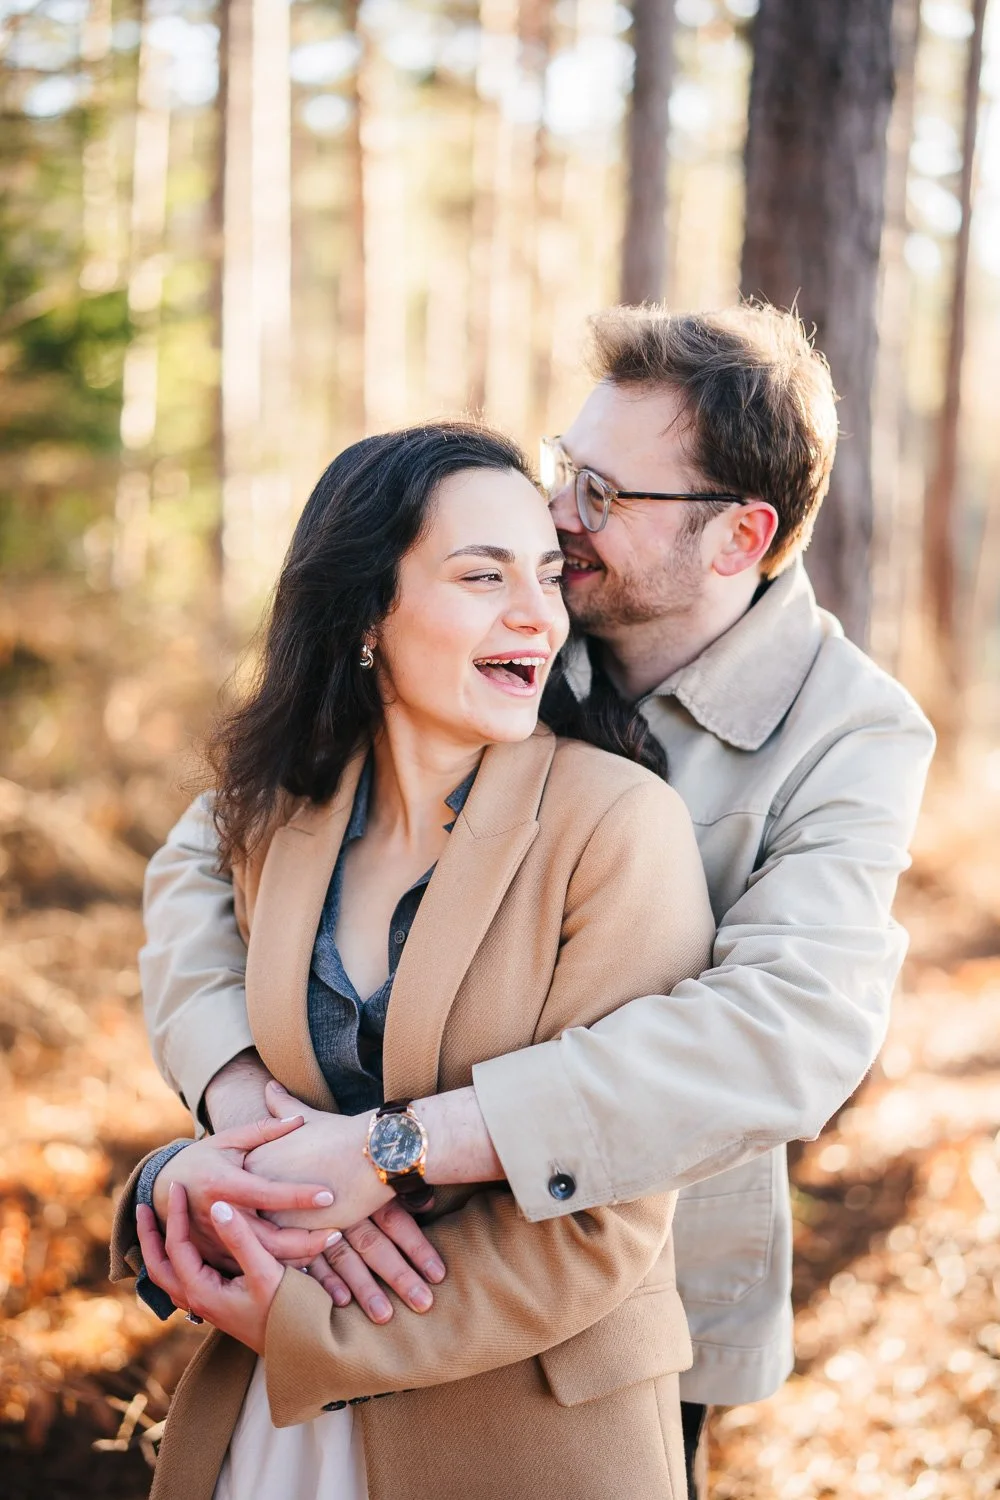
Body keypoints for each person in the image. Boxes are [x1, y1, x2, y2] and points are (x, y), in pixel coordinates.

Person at [134, 305, 935, 1494]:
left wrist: (397, 1149)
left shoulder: (851, 732)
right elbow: (215, 851)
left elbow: (788, 1029)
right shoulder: (518, 628)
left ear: (738, 536)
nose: (559, 514)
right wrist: (249, 1106)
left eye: (602, 494)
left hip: (617, 1293)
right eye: (567, 468)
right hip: (336, 1250)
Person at [111, 420, 716, 1500]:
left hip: (522, 1437)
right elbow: (189, 934)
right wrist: (190, 1178)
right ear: (364, 615)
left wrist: (315, 1321)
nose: (538, 613)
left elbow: (607, 1216)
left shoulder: (618, 825)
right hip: (276, 1434)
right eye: (483, 576)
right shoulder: (278, 816)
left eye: (546, 574)